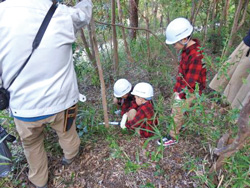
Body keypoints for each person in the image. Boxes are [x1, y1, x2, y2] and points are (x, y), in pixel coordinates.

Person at [0, 0, 92, 187]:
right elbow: (84, 15)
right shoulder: (62, 14)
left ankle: (39, 180)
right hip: (62, 101)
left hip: (23, 107)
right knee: (67, 132)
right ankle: (70, 156)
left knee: (31, 145)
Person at [159, 17, 206, 146]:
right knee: (176, 109)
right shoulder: (186, 50)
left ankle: (173, 136)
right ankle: (179, 126)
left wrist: (181, 94)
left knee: (177, 110)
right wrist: (177, 89)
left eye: (175, 43)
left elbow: (191, 80)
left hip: (190, 90)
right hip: (182, 87)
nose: (174, 46)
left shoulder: (196, 55)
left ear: (184, 39)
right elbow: (183, 73)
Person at [209, 29, 250, 109]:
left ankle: (227, 109)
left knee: (239, 82)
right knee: (229, 73)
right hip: (246, 46)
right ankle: (219, 105)